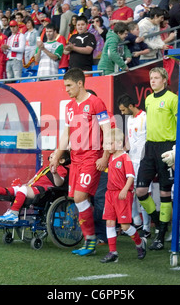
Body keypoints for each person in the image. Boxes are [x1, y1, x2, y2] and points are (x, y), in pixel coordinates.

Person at [50, 68, 111, 256]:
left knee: (79, 198)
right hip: (75, 160)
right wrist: (57, 156)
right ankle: (90, 240)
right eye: (65, 86)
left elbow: (107, 130)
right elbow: (66, 135)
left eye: (69, 85)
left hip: (92, 157)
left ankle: (92, 239)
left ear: (79, 83)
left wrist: (105, 156)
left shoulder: (95, 102)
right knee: (79, 201)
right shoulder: (69, 107)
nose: (66, 89)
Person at [136, 67, 180, 250]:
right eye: (151, 78)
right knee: (140, 190)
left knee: (165, 193)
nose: (153, 81)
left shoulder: (172, 99)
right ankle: (159, 223)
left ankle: (161, 235)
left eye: (156, 78)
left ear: (164, 80)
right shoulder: (148, 100)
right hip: (150, 147)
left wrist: (176, 149)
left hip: (167, 147)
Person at [100, 128, 147, 263]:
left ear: (119, 143)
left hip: (122, 194)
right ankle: (113, 252)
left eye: (110, 143)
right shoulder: (110, 157)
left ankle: (139, 243)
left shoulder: (125, 157)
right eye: (106, 143)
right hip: (110, 194)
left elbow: (131, 176)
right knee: (109, 222)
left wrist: (125, 190)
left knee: (125, 226)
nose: (107, 146)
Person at [0, 150, 70, 223]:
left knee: (23, 189)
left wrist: (55, 173)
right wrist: (28, 184)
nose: (52, 153)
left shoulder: (61, 169)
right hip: (34, 187)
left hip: (43, 192)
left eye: (55, 153)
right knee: (17, 189)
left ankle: (14, 213)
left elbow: (59, 183)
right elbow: (35, 178)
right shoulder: (45, 167)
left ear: (61, 161)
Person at [117, 94, 151, 237]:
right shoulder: (130, 119)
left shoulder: (146, 117)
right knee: (129, 192)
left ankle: (147, 228)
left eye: (124, 110)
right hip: (131, 161)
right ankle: (136, 222)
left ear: (131, 106)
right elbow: (130, 140)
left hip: (143, 162)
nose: (122, 113)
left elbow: (149, 139)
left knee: (142, 194)